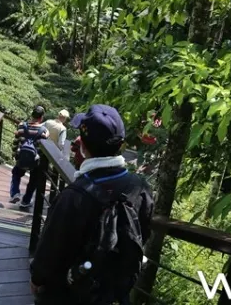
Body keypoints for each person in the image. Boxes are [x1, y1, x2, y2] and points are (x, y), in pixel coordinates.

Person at [30, 104, 155, 305]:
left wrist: (37, 279)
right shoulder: (140, 187)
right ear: (121, 144)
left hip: (68, 294)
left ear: (83, 145)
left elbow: (50, 249)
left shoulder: (74, 195)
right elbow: (143, 232)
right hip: (112, 292)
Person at [11, 105, 50, 209]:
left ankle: (15, 193)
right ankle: (26, 201)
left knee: (16, 174)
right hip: (35, 160)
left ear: (32, 115)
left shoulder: (21, 126)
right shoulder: (44, 131)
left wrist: (15, 154)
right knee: (33, 180)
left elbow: (16, 141)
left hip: (22, 156)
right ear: (41, 117)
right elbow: (44, 146)